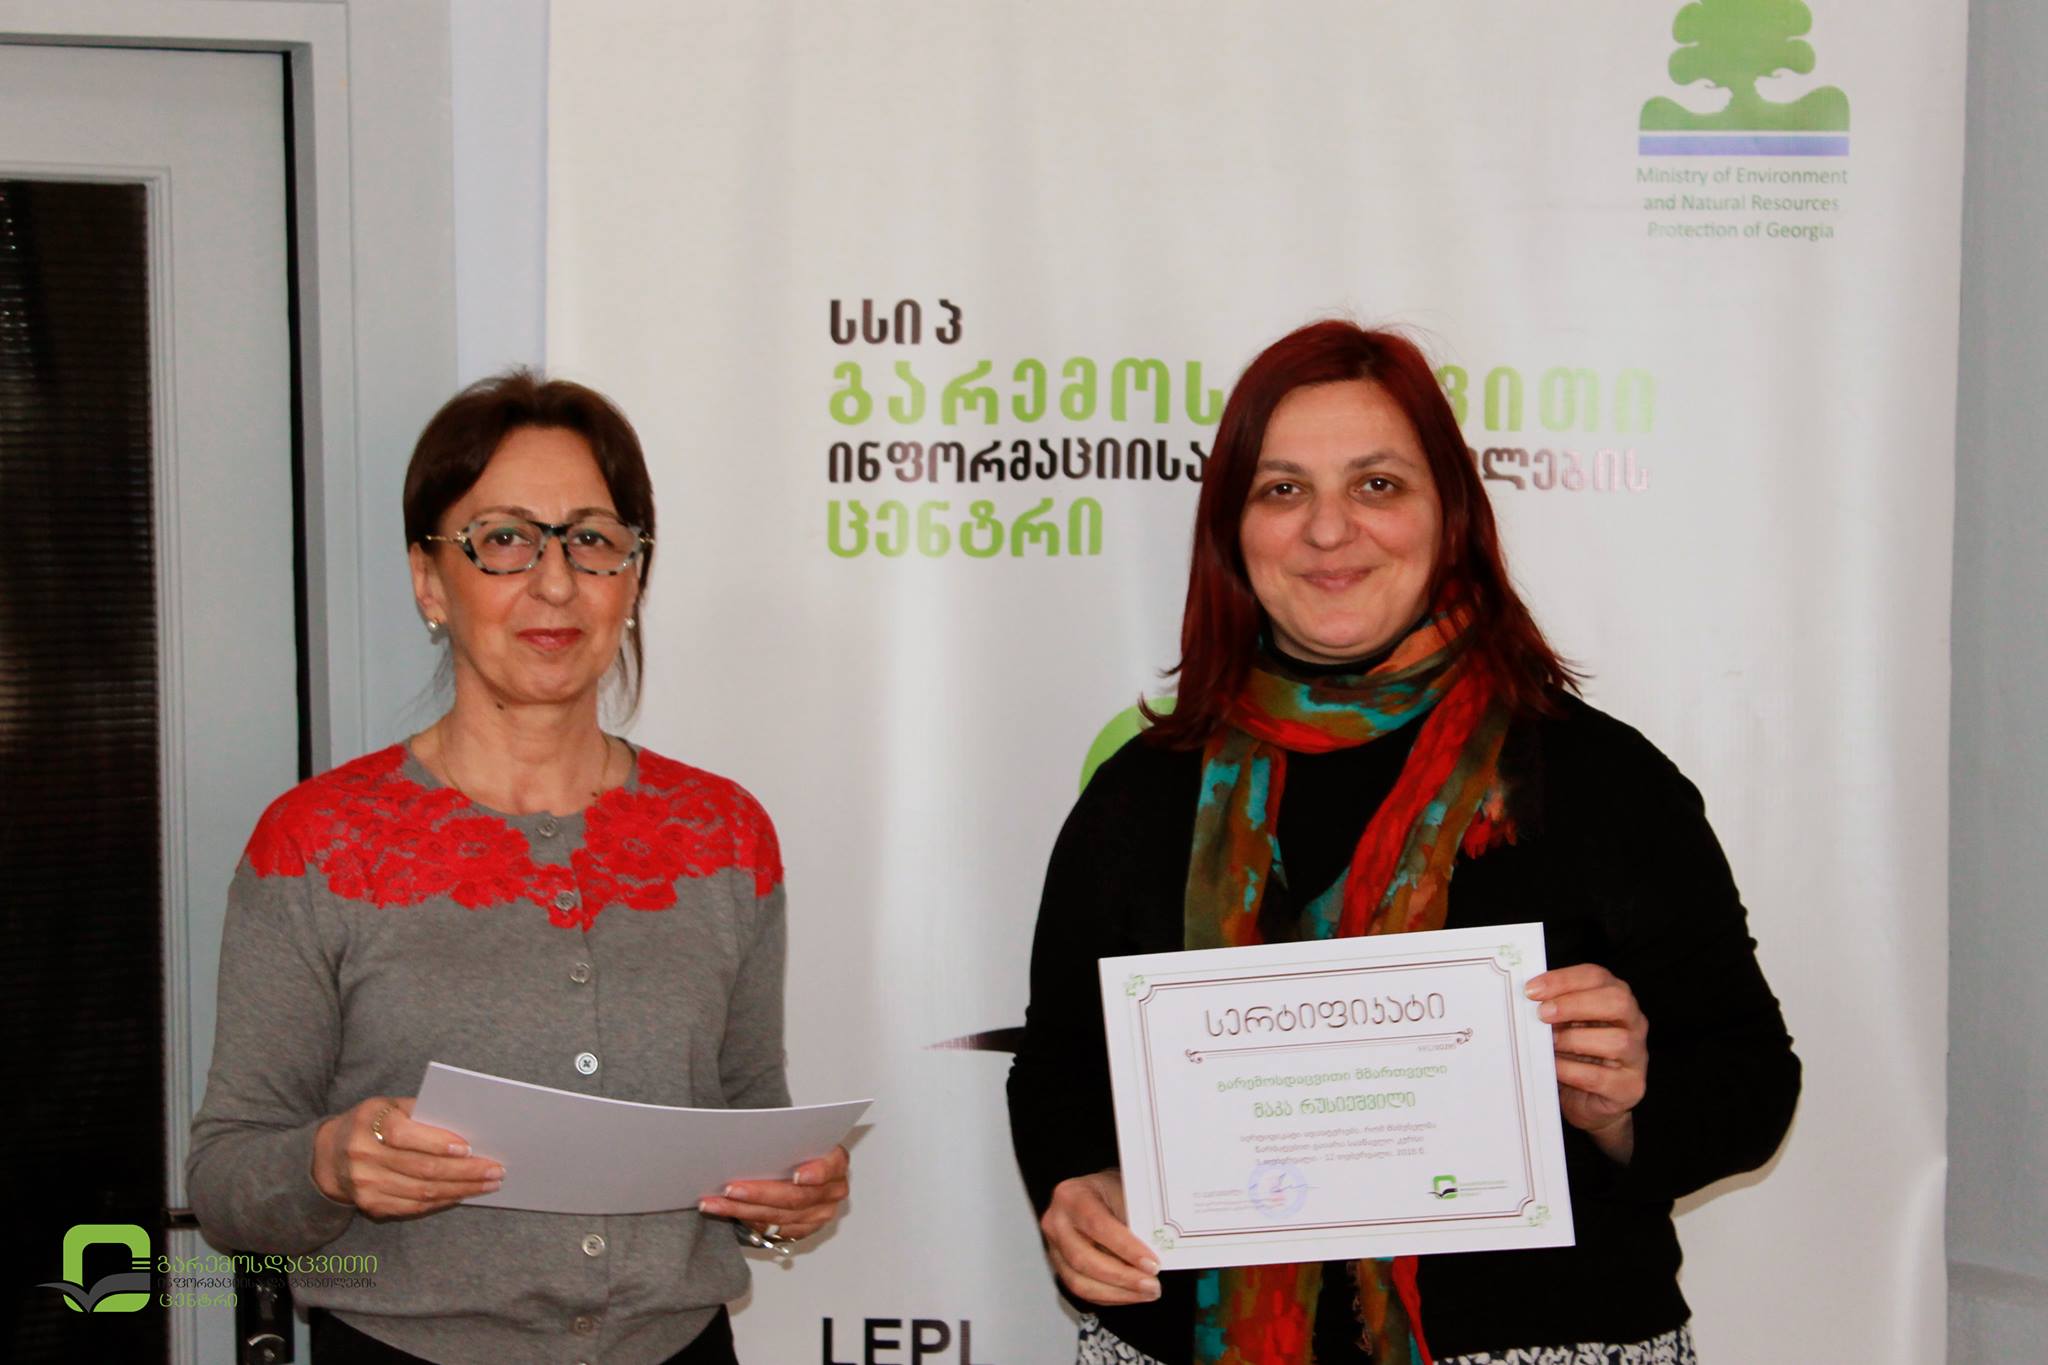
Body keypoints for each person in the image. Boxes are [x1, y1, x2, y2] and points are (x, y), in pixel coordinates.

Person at [1006, 322, 1799, 1365]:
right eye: (1282, 489)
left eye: (1376, 484)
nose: (1329, 530)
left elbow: (1750, 1084)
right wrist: (1077, 1185)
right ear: (1232, 529)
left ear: (1449, 515)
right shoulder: (1142, 794)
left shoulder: (1597, 778)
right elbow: (1060, 1066)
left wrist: (1623, 1103)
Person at [188, 372, 849, 1365]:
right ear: (428, 579)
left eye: (592, 540)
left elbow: (750, 1113)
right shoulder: (316, 842)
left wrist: (785, 1193)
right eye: (503, 539)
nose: (555, 583)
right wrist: (327, 1164)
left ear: (633, 576)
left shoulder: (723, 834)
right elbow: (227, 1182)